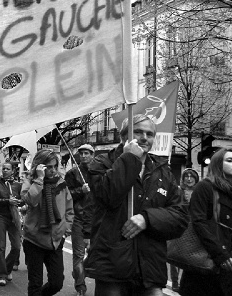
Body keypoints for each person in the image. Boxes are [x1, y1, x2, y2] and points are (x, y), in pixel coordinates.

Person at [85, 114, 187, 296]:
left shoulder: (163, 171)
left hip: (150, 269)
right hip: (112, 268)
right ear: (124, 136)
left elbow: (180, 217)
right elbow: (108, 196)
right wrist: (130, 158)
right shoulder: (102, 163)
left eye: (150, 134)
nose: (144, 138)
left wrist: (147, 219)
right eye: (138, 132)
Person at [180, 149, 232, 296]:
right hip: (206, 267)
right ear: (217, 164)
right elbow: (198, 222)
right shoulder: (205, 187)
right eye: (229, 160)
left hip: (231, 267)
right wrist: (219, 254)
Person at [21, 149, 74, 296]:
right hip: (34, 240)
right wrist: (39, 179)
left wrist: (66, 229)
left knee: (57, 283)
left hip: (55, 241)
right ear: (40, 166)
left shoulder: (61, 183)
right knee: (35, 284)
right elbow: (30, 200)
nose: (53, 170)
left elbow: (69, 209)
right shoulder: (30, 181)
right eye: (48, 167)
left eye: (55, 166)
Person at [64, 144, 95, 296]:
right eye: (81, 153)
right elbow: (66, 194)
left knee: (95, 252)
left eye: (86, 153)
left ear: (92, 155)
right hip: (78, 217)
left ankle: (80, 272)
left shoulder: (98, 172)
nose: (83, 156)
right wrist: (80, 191)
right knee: (78, 254)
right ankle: (80, 287)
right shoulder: (72, 173)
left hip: (95, 218)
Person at [168, 168, 199, 292]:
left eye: (192, 176)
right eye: (187, 176)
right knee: (175, 253)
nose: (189, 179)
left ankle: (185, 282)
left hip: (193, 226)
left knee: (189, 255)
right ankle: (175, 282)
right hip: (179, 224)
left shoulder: (199, 191)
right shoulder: (178, 191)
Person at [0, 160, 23, 286]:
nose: (5, 170)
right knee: (1, 247)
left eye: (7, 169)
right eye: (3, 168)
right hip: (0, 216)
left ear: (13, 171)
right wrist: (7, 201)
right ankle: (2, 275)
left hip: (13, 217)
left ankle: (7, 267)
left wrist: (19, 202)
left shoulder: (18, 185)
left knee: (16, 246)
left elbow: (22, 200)